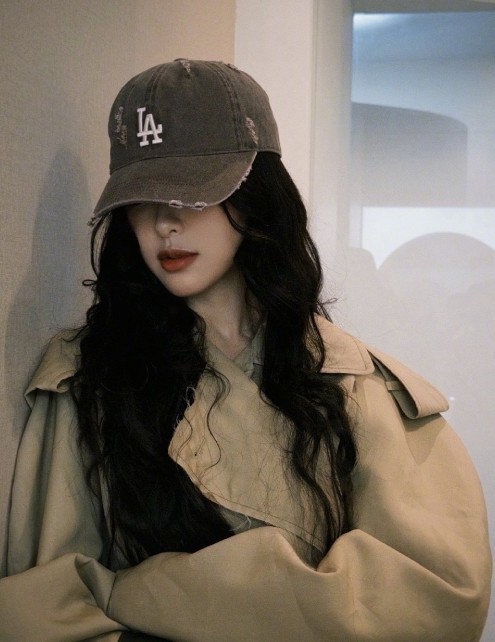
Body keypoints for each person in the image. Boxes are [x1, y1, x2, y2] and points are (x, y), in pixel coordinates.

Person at [0, 59, 491, 642]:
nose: (164, 222)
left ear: (256, 197)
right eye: (142, 197)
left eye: (194, 191)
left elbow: (436, 598)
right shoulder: (90, 378)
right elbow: (47, 606)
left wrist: (134, 592)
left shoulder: (354, 384)